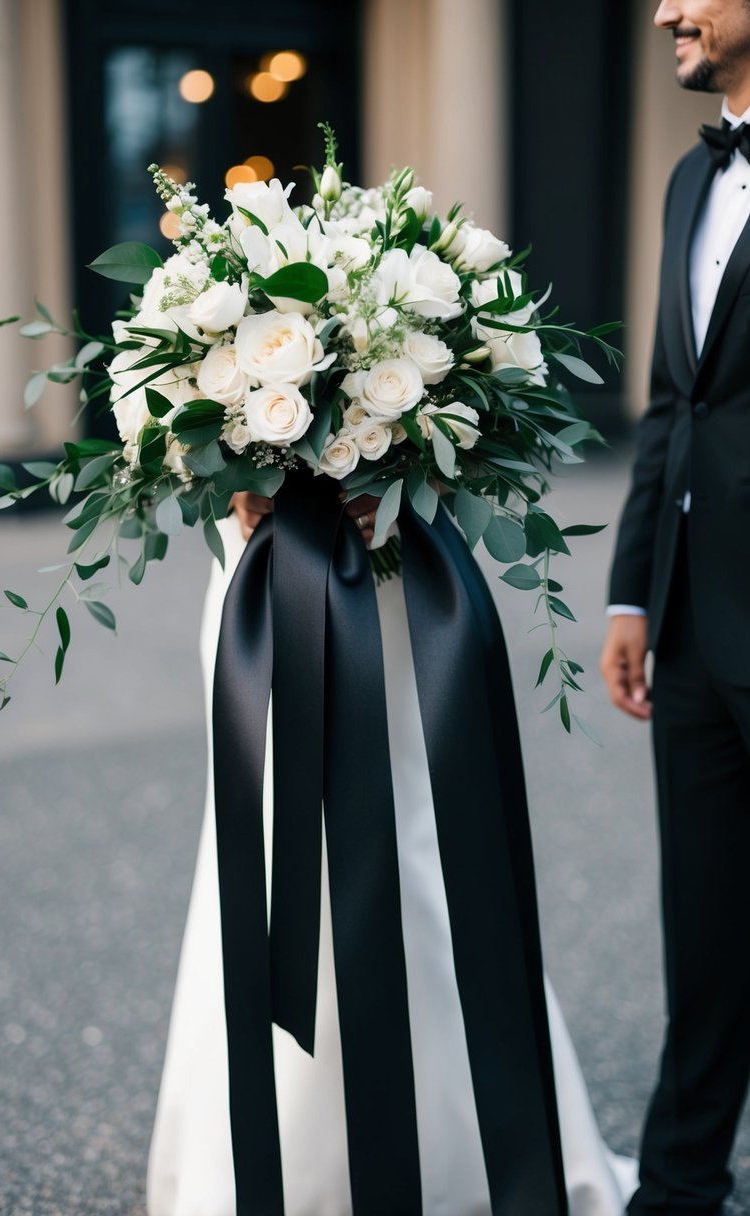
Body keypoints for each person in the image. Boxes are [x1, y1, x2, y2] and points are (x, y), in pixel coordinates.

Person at [147, 478, 635, 1216]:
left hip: (393, 557)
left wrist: (421, 473)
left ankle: (469, 1154)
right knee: (265, 831)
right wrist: (224, 479)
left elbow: (489, 400)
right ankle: (265, 1155)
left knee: (420, 826)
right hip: (261, 560)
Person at [600, 2, 750, 1212]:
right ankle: (681, 1183)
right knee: (702, 927)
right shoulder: (681, 184)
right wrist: (627, 593)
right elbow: (672, 402)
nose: (666, 12)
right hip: (692, 622)